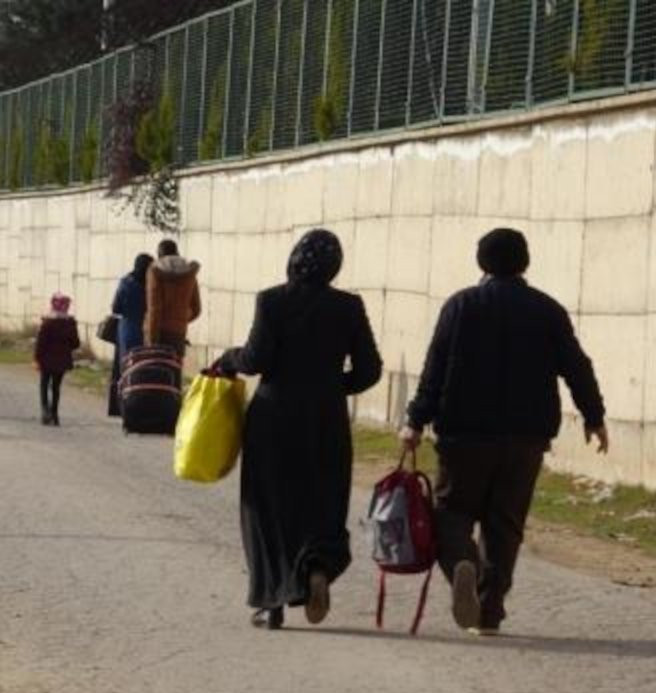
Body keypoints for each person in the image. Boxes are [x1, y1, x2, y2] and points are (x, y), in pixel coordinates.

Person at [401, 228, 607, 637]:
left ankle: (465, 564)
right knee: (505, 525)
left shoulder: (460, 306)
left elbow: (435, 369)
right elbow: (576, 365)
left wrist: (415, 420)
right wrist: (593, 415)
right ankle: (489, 612)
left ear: (482, 263)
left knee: (452, 515)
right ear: (524, 262)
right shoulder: (547, 310)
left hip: (464, 435)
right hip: (526, 439)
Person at [215, 229, 382, 630]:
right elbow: (369, 370)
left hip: (274, 418)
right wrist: (329, 386)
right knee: (322, 499)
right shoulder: (349, 307)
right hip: (325, 419)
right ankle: (315, 569)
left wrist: (227, 359)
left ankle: (272, 601)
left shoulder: (271, 300)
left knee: (268, 507)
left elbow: (255, 359)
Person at [108, 253, 154, 416]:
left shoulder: (126, 282)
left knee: (124, 368)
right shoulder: (151, 285)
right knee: (143, 369)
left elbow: (115, 308)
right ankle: (141, 405)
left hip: (127, 329)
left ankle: (123, 405)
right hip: (147, 330)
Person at [145, 239, 202, 356]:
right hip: (179, 332)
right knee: (174, 370)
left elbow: (154, 309)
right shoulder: (189, 273)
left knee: (157, 370)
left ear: (159, 254)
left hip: (159, 332)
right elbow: (196, 309)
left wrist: (151, 340)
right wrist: (179, 318)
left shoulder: (155, 271)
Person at [34, 293, 81, 426]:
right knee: (56, 387)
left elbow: (40, 343)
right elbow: (76, 344)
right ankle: (55, 415)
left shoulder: (47, 322)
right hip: (62, 360)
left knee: (44, 384)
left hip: (46, 360)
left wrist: (37, 358)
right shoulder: (70, 323)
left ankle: (45, 411)